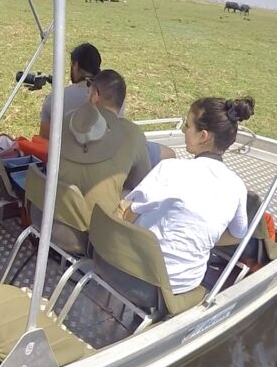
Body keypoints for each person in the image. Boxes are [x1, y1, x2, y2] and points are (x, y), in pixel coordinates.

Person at [122, 97, 253, 294]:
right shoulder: (238, 187)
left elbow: (127, 214)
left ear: (203, 136)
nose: (183, 130)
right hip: (184, 284)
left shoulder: (170, 168)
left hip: (135, 274)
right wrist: (200, 237)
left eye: (187, 125)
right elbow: (237, 235)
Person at [58, 101, 151, 214]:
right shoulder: (132, 135)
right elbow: (142, 185)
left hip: (59, 213)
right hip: (102, 223)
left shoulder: (59, 146)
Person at [88, 69, 175, 174]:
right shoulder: (134, 134)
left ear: (95, 96)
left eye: (88, 92)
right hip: (131, 179)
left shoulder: (79, 127)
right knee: (170, 154)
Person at [38, 42, 124, 139]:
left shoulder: (54, 99)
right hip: (109, 153)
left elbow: (44, 143)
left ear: (75, 65)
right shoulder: (116, 98)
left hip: (67, 154)